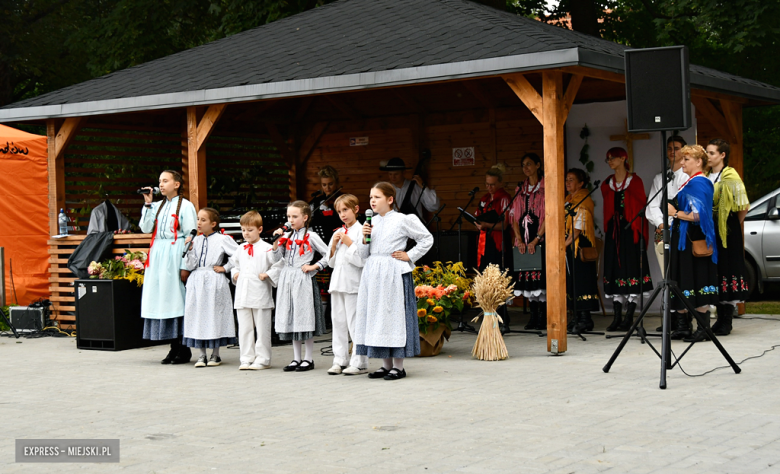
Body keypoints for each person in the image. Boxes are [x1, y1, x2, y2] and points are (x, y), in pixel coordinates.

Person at [354, 182, 433, 380]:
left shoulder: (402, 219)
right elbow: (363, 254)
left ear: (390, 199)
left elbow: (426, 238)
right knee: (377, 316)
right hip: (373, 273)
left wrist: (410, 255)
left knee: (393, 316)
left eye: (377, 197)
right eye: (371, 197)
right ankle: (385, 364)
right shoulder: (370, 222)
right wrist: (364, 239)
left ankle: (398, 366)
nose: (372, 200)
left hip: (393, 272)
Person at [140, 170, 197, 364]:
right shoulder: (156, 205)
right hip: (158, 254)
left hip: (175, 253)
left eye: (165, 181)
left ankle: (183, 347)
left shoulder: (186, 206)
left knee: (175, 298)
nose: (161, 185)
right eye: (159, 181)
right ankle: (173, 346)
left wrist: (185, 265)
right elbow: (146, 228)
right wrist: (147, 204)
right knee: (161, 298)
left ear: (177, 184)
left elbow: (191, 235)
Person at [666, 145, 720, 342]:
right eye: (682, 160)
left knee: (697, 279)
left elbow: (699, 215)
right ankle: (683, 326)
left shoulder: (701, 183)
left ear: (699, 162)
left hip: (693, 240)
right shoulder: (689, 182)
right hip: (683, 241)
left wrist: (675, 213)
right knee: (682, 279)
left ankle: (703, 327)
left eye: (686, 159)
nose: (682, 163)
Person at [271, 201, 330, 372]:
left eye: (294, 216)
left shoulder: (311, 236)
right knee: (292, 316)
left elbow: (328, 254)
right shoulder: (286, 236)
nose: (291, 220)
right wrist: (276, 243)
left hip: (302, 278)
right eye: (289, 216)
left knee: (305, 317)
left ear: (305, 217)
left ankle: (308, 358)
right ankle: (296, 358)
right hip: (287, 278)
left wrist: (314, 266)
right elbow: (277, 259)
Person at [600, 148, 653, 332]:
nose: (609, 161)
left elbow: (640, 205)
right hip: (614, 232)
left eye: (612, 158)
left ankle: (629, 317)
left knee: (630, 268)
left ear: (623, 158)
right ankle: (617, 317)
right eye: (607, 159)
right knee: (615, 269)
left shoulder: (635, 182)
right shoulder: (607, 183)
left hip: (631, 232)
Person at [182, 208, 239, 367]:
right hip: (197, 280)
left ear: (213, 224)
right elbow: (191, 264)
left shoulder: (222, 239)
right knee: (198, 314)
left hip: (214, 280)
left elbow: (239, 254)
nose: (199, 223)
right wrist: (190, 250)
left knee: (214, 314)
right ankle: (201, 354)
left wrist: (225, 268)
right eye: (198, 219)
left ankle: (215, 354)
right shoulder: (196, 240)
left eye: (203, 220)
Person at [706, 138, 750, 336]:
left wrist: (730, 224)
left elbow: (743, 206)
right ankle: (719, 317)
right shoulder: (706, 176)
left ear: (722, 155)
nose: (708, 156)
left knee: (728, 269)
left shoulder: (730, 175)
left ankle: (727, 320)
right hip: (711, 229)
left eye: (712, 153)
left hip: (728, 230)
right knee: (715, 270)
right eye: (707, 152)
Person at [646, 135, 689, 332]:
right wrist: (663, 224)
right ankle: (670, 319)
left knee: (682, 276)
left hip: (683, 231)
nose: (673, 152)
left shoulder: (689, 177)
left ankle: (684, 321)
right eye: (670, 148)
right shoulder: (659, 178)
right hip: (665, 231)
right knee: (667, 276)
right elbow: (652, 206)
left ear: (684, 151)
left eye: (677, 148)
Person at [229, 210, 281, 370]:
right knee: (244, 328)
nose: (246, 234)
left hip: (260, 294)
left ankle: (263, 358)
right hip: (243, 293)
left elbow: (278, 264)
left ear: (259, 229)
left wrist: (268, 274)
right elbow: (234, 264)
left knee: (262, 327)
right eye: (243, 230)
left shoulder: (267, 248)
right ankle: (246, 357)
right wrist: (235, 273)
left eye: (250, 230)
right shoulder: (240, 248)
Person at [326, 194, 368, 375]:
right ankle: (340, 359)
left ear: (356, 210)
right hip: (337, 283)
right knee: (338, 322)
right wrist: (334, 246)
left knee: (355, 323)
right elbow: (331, 263)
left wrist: (349, 243)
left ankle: (359, 362)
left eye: (346, 210)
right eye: (339, 211)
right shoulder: (338, 232)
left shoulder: (362, 231)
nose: (342, 214)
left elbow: (362, 260)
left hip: (353, 284)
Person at [510, 153, 547, 330]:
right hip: (523, 238)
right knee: (528, 278)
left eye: (529, 164)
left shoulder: (545, 188)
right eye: (523, 165)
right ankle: (533, 317)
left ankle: (544, 317)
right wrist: (519, 239)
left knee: (541, 278)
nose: (526, 168)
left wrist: (537, 239)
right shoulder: (520, 189)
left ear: (538, 165)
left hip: (540, 237)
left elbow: (548, 215)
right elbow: (513, 217)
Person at [474, 164, 512, 331]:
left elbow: (505, 224)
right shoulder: (484, 198)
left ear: (500, 183)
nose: (489, 187)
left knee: (498, 280)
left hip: (498, 242)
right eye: (487, 184)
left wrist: (486, 224)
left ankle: (502, 317)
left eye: (492, 184)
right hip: (485, 241)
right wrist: (478, 223)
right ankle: (488, 315)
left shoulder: (504, 198)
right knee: (485, 277)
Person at [564, 168, 600, 333]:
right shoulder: (568, 199)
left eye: (571, 179)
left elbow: (578, 227)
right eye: (567, 180)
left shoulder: (584, 199)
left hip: (580, 245)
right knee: (572, 281)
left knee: (582, 280)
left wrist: (564, 244)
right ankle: (576, 316)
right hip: (569, 245)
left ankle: (585, 319)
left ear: (581, 183)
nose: (567, 183)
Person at [310, 165, 344, 244]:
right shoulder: (316, 202)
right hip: (320, 243)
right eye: (324, 185)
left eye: (330, 184)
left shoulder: (344, 199)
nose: (327, 188)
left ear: (336, 183)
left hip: (341, 241)